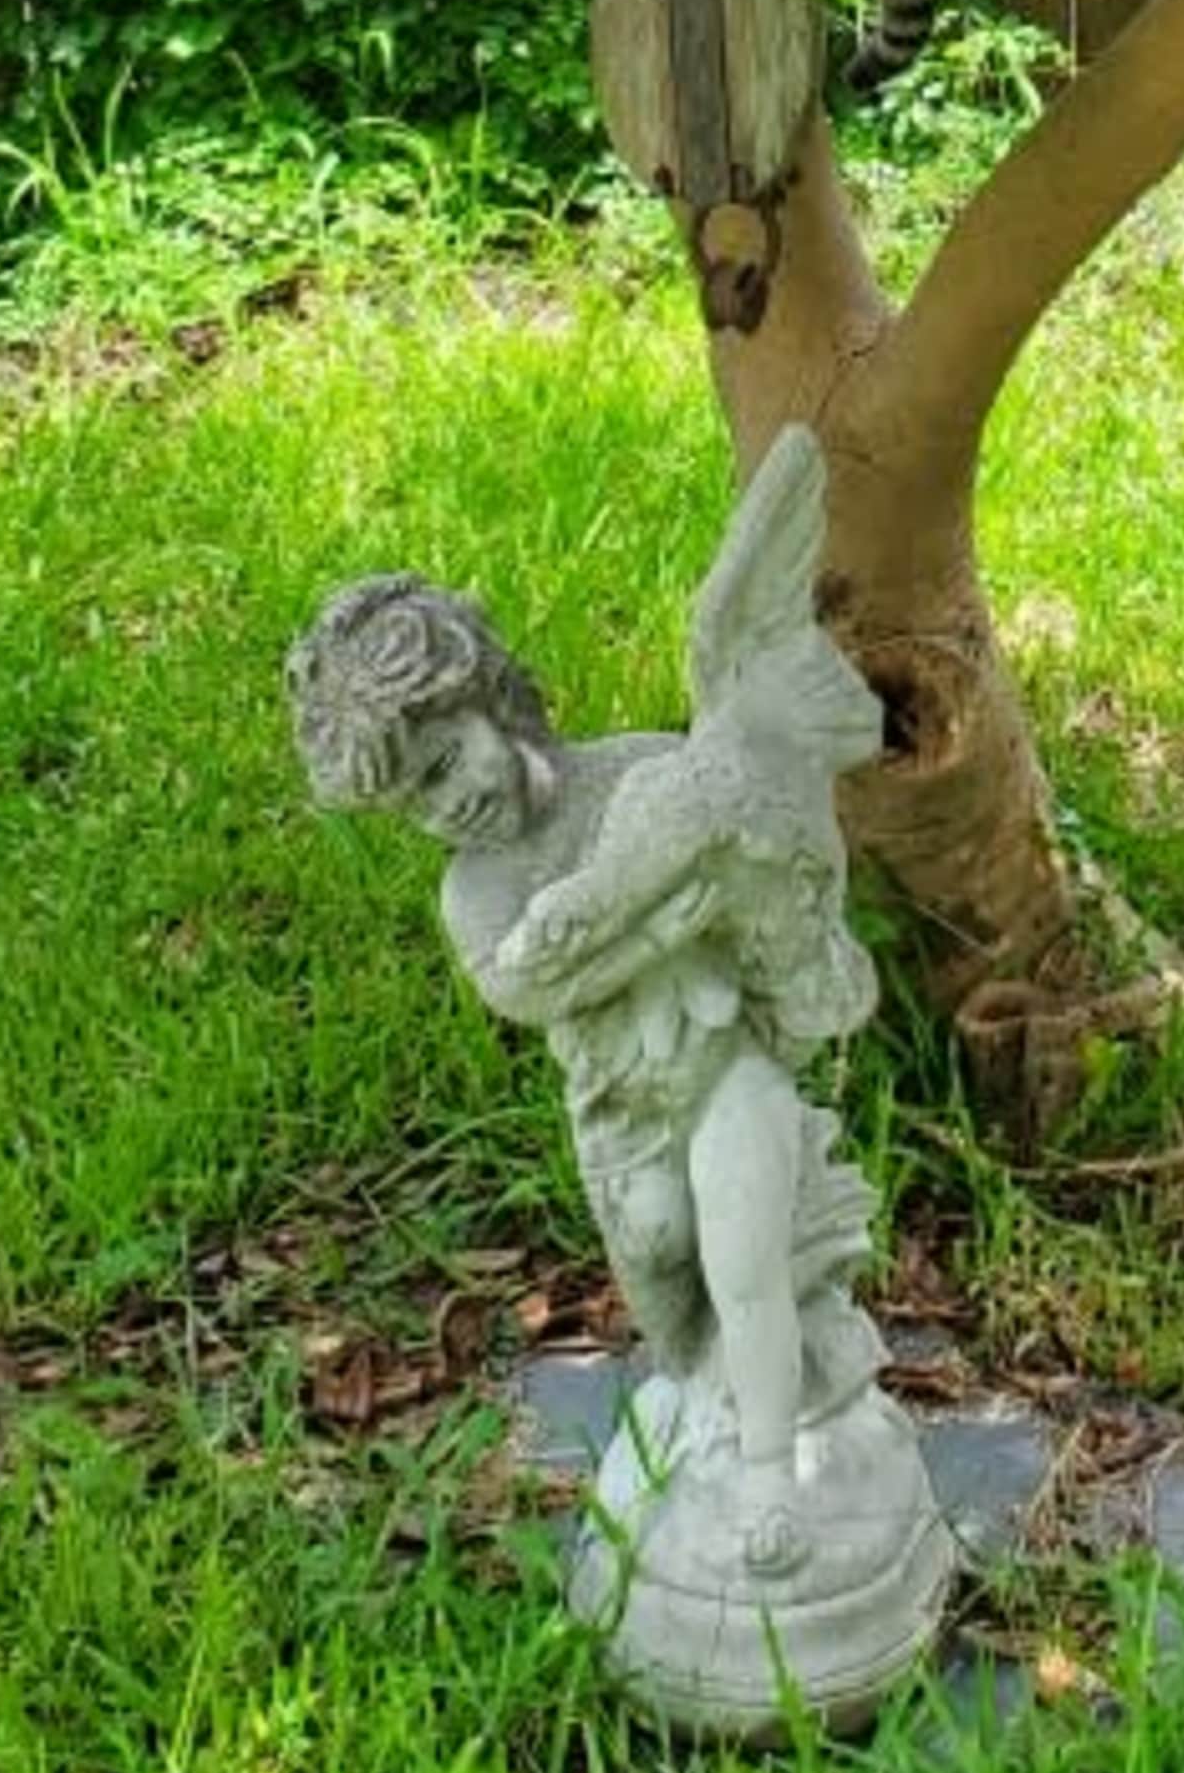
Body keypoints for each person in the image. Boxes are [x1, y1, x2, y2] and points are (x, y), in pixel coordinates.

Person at [288, 431, 888, 1575]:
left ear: (493, 698)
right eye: (415, 795)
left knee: (747, 1243)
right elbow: (521, 980)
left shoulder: (640, 769)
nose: (448, 798)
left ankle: (770, 1476)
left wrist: (679, 887)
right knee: (666, 1266)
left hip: (722, 1057)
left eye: (446, 755)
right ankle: (716, 1390)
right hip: (623, 1107)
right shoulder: (479, 890)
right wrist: (636, 904)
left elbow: (745, 842)